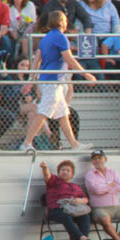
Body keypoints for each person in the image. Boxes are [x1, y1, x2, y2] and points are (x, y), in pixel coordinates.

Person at [19, 11, 92, 151]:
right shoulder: (60, 38)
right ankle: (27, 143)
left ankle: (74, 144)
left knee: (63, 114)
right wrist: (86, 74)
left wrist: (31, 79)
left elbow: (36, 59)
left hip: (51, 82)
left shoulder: (46, 38)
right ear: (60, 22)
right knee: (44, 112)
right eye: (65, 20)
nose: (66, 23)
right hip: (53, 82)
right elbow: (69, 58)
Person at [39, 159, 91, 240]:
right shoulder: (54, 181)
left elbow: (85, 199)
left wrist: (80, 200)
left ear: (72, 174)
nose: (65, 172)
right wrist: (45, 168)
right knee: (65, 216)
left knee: (85, 217)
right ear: (58, 172)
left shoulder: (76, 186)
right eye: (62, 170)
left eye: (68, 170)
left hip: (73, 210)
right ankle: (81, 239)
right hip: (56, 210)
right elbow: (47, 175)